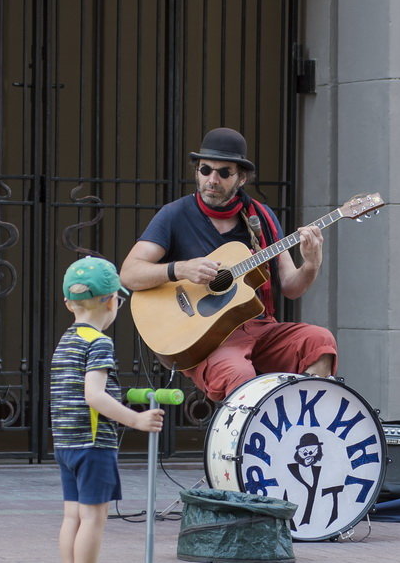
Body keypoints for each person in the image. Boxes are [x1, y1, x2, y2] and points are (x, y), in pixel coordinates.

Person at [120, 127, 337, 403]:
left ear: (241, 178)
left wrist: (311, 264)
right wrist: (179, 269)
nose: (212, 179)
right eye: (205, 169)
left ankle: (304, 422)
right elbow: (129, 273)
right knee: (237, 373)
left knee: (320, 342)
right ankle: (244, 444)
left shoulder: (261, 217)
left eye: (224, 173)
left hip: (259, 328)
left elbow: (292, 287)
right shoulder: (174, 216)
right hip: (211, 340)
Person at [51, 256, 164, 563]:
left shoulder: (66, 341)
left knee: (73, 517)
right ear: (113, 301)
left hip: (66, 444)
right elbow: (94, 395)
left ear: (69, 303)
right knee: (95, 518)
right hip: (93, 445)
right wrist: (137, 419)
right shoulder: (99, 343)